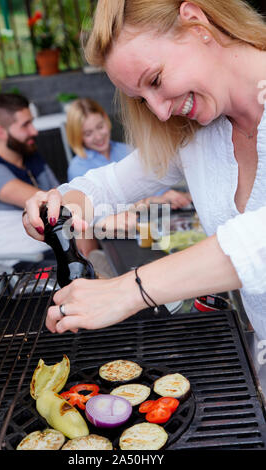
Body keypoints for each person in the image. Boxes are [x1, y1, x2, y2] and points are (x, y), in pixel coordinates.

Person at [23, 0, 266, 340]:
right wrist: (58, 207)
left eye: (155, 79)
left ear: (196, 22)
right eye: (141, 99)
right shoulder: (197, 135)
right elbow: (107, 185)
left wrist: (129, 291)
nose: (161, 113)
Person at [66, 97, 192, 258]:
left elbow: (156, 185)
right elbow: (101, 216)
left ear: (106, 119)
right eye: (88, 133)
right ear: (77, 136)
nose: (98, 136)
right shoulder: (79, 168)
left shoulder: (126, 149)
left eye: (100, 127)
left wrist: (170, 196)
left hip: (149, 226)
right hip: (117, 241)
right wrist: (149, 201)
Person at [0, 93, 59, 271]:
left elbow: (64, 197)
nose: (34, 131)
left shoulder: (32, 156)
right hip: (16, 267)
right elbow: (52, 202)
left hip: (50, 253)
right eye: (25, 125)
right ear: (1, 132)